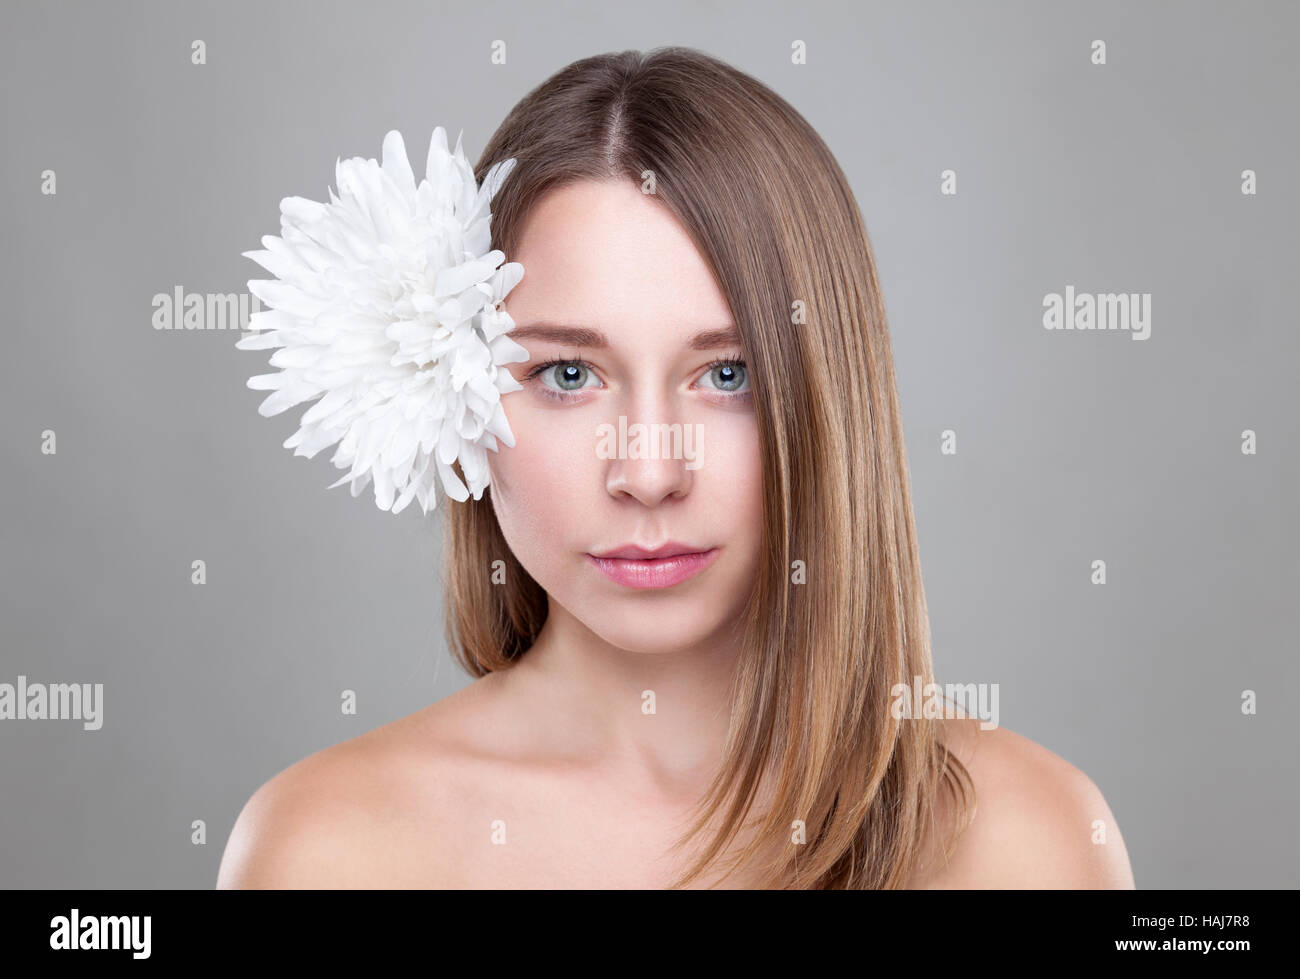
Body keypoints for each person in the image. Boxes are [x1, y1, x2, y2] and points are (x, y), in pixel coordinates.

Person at [217, 46, 1135, 889]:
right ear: (450, 392)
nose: (650, 472)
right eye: (567, 375)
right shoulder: (325, 850)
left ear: (828, 396)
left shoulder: (1029, 841)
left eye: (727, 374)